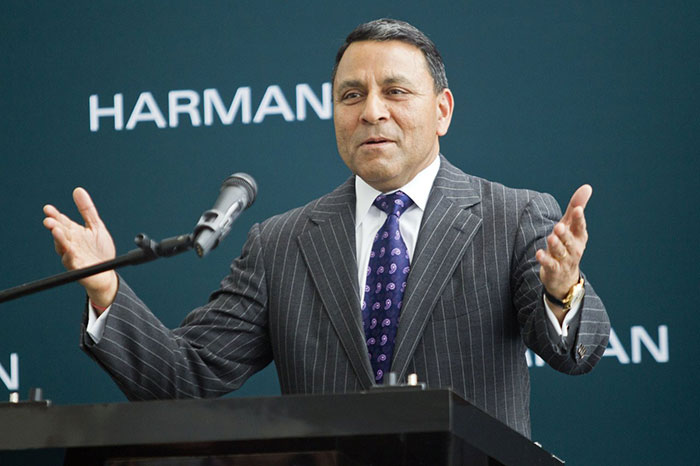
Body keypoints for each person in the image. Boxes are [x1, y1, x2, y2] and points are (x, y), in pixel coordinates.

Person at [43, 19, 610, 438]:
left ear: (442, 110)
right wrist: (107, 291)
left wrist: (562, 291)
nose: (371, 111)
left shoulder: (512, 217)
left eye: (395, 92)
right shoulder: (280, 244)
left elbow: (573, 353)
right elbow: (184, 377)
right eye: (351, 95)